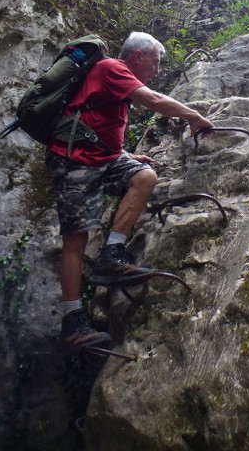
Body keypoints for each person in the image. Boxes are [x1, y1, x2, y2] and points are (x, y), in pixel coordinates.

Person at [45, 31, 214, 353]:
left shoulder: (114, 79)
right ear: (139, 56)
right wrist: (193, 115)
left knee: (144, 176)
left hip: (103, 156)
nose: (158, 69)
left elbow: (100, 120)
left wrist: (125, 154)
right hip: (73, 159)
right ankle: (72, 322)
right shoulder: (112, 68)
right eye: (157, 61)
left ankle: (112, 254)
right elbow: (154, 100)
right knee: (76, 237)